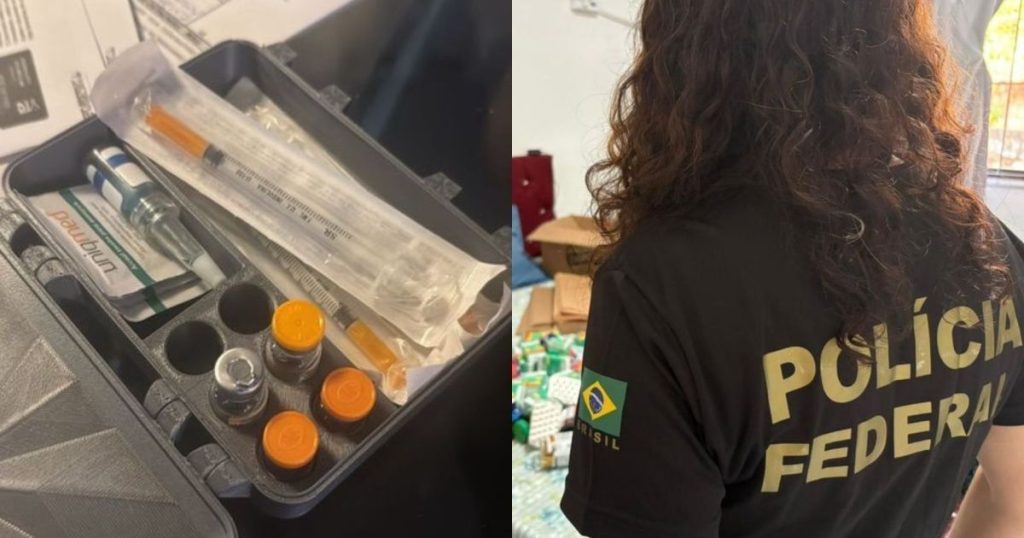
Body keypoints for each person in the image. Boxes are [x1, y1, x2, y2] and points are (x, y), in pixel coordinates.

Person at [560, 1, 1024, 536]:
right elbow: (1012, 496)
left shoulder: (658, 285)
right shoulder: (986, 246)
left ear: (681, 53)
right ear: (894, 39)